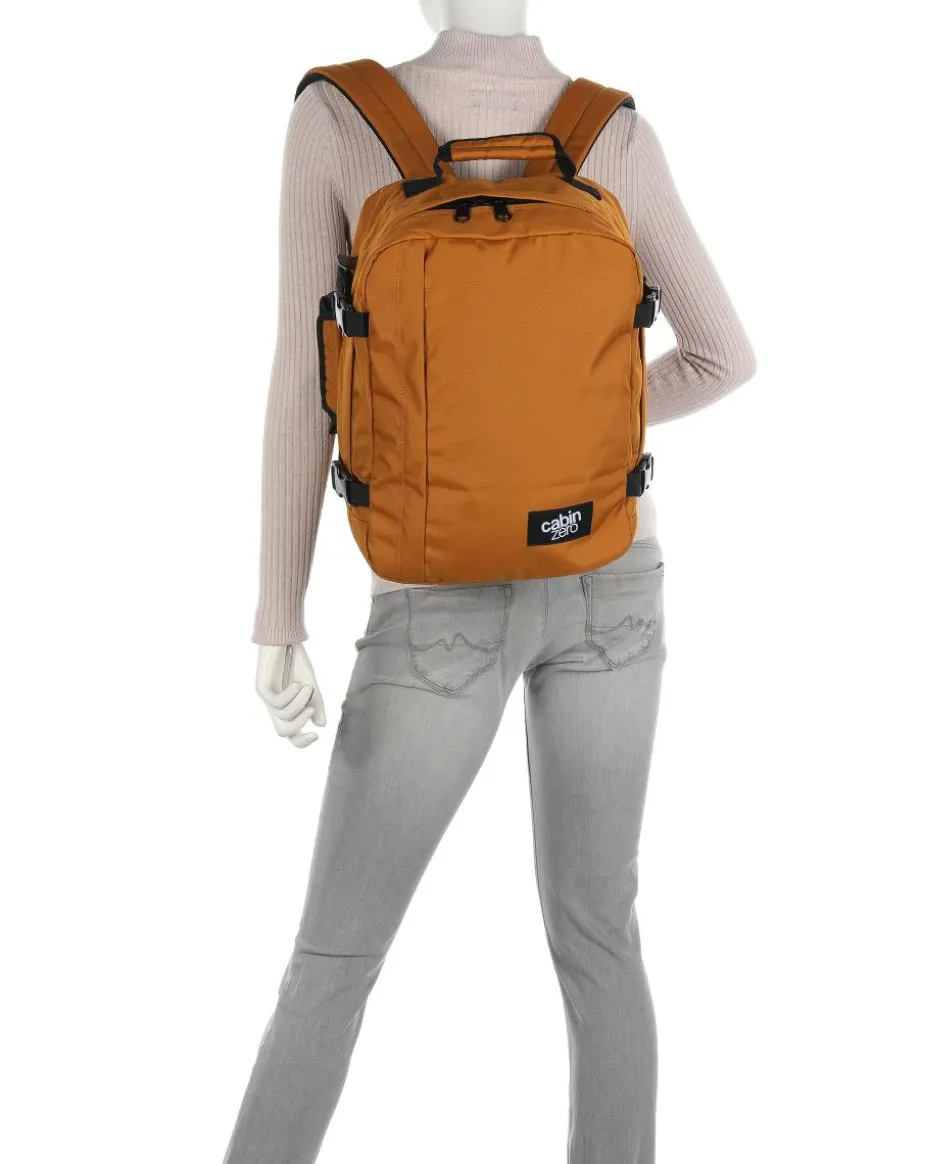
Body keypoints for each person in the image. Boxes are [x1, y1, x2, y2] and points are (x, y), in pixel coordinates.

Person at [229, 20, 755, 1164]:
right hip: (612, 574)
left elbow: (303, 384)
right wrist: (573, 433)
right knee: (599, 941)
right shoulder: (610, 133)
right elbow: (724, 355)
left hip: (437, 596)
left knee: (334, 962)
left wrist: (279, 616)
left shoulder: (339, 121)